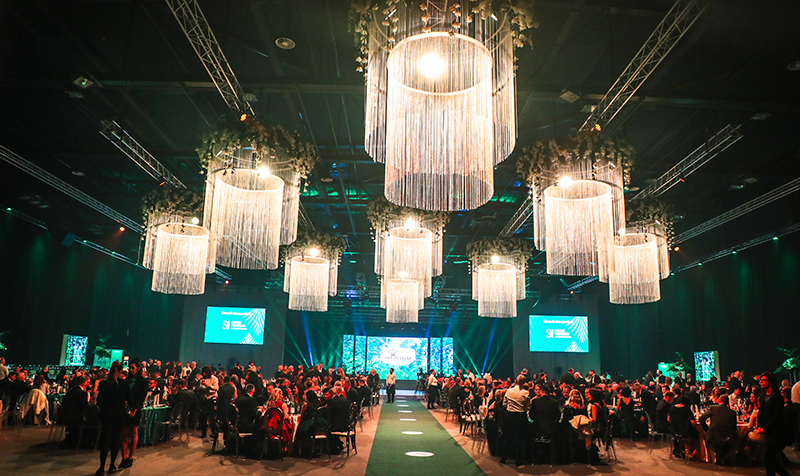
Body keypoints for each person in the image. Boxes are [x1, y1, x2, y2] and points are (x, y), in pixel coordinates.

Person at [96, 361, 129, 476]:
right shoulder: (124, 384)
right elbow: (129, 398)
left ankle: (101, 467)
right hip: (119, 415)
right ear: (121, 371)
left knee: (105, 441)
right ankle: (112, 466)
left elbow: (99, 400)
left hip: (106, 415)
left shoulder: (103, 384)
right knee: (116, 441)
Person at [758, 372, 793, 476]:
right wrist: (760, 426)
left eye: (764, 380)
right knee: (770, 459)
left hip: (776, 431)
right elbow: (761, 413)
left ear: (770, 382)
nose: (761, 382)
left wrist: (765, 428)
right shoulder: (763, 396)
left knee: (767, 458)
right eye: (761, 380)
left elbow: (776, 416)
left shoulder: (777, 397)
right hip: (767, 431)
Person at [121, 359, 147, 468]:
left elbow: (141, 397)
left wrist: (134, 410)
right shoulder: (126, 380)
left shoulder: (143, 381)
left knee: (134, 433)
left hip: (136, 409)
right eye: (130, 368)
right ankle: (124, 458)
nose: (131, 370)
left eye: (133, 368)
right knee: (124, 434)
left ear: (138, 368)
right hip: (125, 409)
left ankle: (131, 457)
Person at [697, 394, 738, 465]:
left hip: (713, 435)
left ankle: (718, 456)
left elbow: (701, 419)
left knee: (711, 440)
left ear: (719, 401)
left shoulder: (713, 408)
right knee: (730, 440)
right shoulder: (733, 413)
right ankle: (724, 456)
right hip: (728, 437)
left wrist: (707, 429)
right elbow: (734, 427)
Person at [499, 375, 529, 466]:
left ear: (515, 381)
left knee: (508, 437)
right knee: (519, 438)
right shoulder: (525, 393)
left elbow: (504, 404)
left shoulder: (509, 391)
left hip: (510, 416)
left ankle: (503, 458)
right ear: (524, 383)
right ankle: (518, 460)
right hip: (521, 416)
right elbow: (528, 406)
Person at [196, 366, 219, 441]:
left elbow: (216, 388)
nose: (204, 374)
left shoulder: (214, 379)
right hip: (204, 399)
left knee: (212, 418)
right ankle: (203, 433)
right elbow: (199, 388)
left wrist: (207, 385)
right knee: (203, 417)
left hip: (211, 400)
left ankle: (214, 432)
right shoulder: (202, 379)